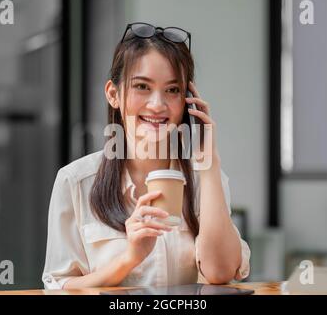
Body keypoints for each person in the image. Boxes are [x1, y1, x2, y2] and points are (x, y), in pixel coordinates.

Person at [42, 22, 250, 289]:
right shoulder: (75, 181)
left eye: (173, 90)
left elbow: (220, 272)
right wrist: (130, 258)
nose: (157, 105)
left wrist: (209, 162)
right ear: (113, 94)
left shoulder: (206, 179)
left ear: (188, 100)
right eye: (142, 86)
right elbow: (59, 288)